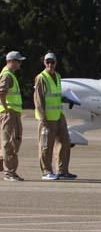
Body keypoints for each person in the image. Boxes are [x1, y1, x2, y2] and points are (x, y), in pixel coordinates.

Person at [34, 52, 75, 180]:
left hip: (58, 115)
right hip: (47, 118)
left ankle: (62, 171)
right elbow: (38, 99)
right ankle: (46, 171)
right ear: (44, 63)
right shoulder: (41, 77)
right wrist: (43, 117)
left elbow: (55, 96)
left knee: (65, 142)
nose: (50, 64)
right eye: (48, 62)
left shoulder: (57, 76)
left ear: (56, 63)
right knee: (46, 145)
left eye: (52, 62)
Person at [0, 51, 27, 181]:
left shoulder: (10, 75)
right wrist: (6, 109)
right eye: (19, 61)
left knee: (14, 140)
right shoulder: (7, 75)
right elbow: (2, 93)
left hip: (13, 113)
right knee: (9, 143)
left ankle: (6, 167)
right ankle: (9, 172)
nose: (20, 64)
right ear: (11, 61)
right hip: (9, 113)